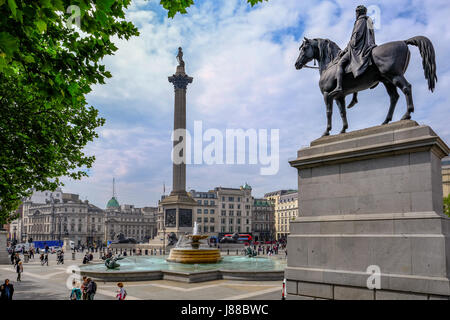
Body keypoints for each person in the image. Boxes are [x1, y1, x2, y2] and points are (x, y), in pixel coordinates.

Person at [330, 5, 376, 97]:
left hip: (358, 48)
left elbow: (355, 37)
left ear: (358, 12)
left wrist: (345, 50)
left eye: (356, 12)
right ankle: (354, 97)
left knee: (340, 63)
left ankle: (339, 86)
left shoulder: (360, 21)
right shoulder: (369, 21)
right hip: (368, 46)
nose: (356, 14)